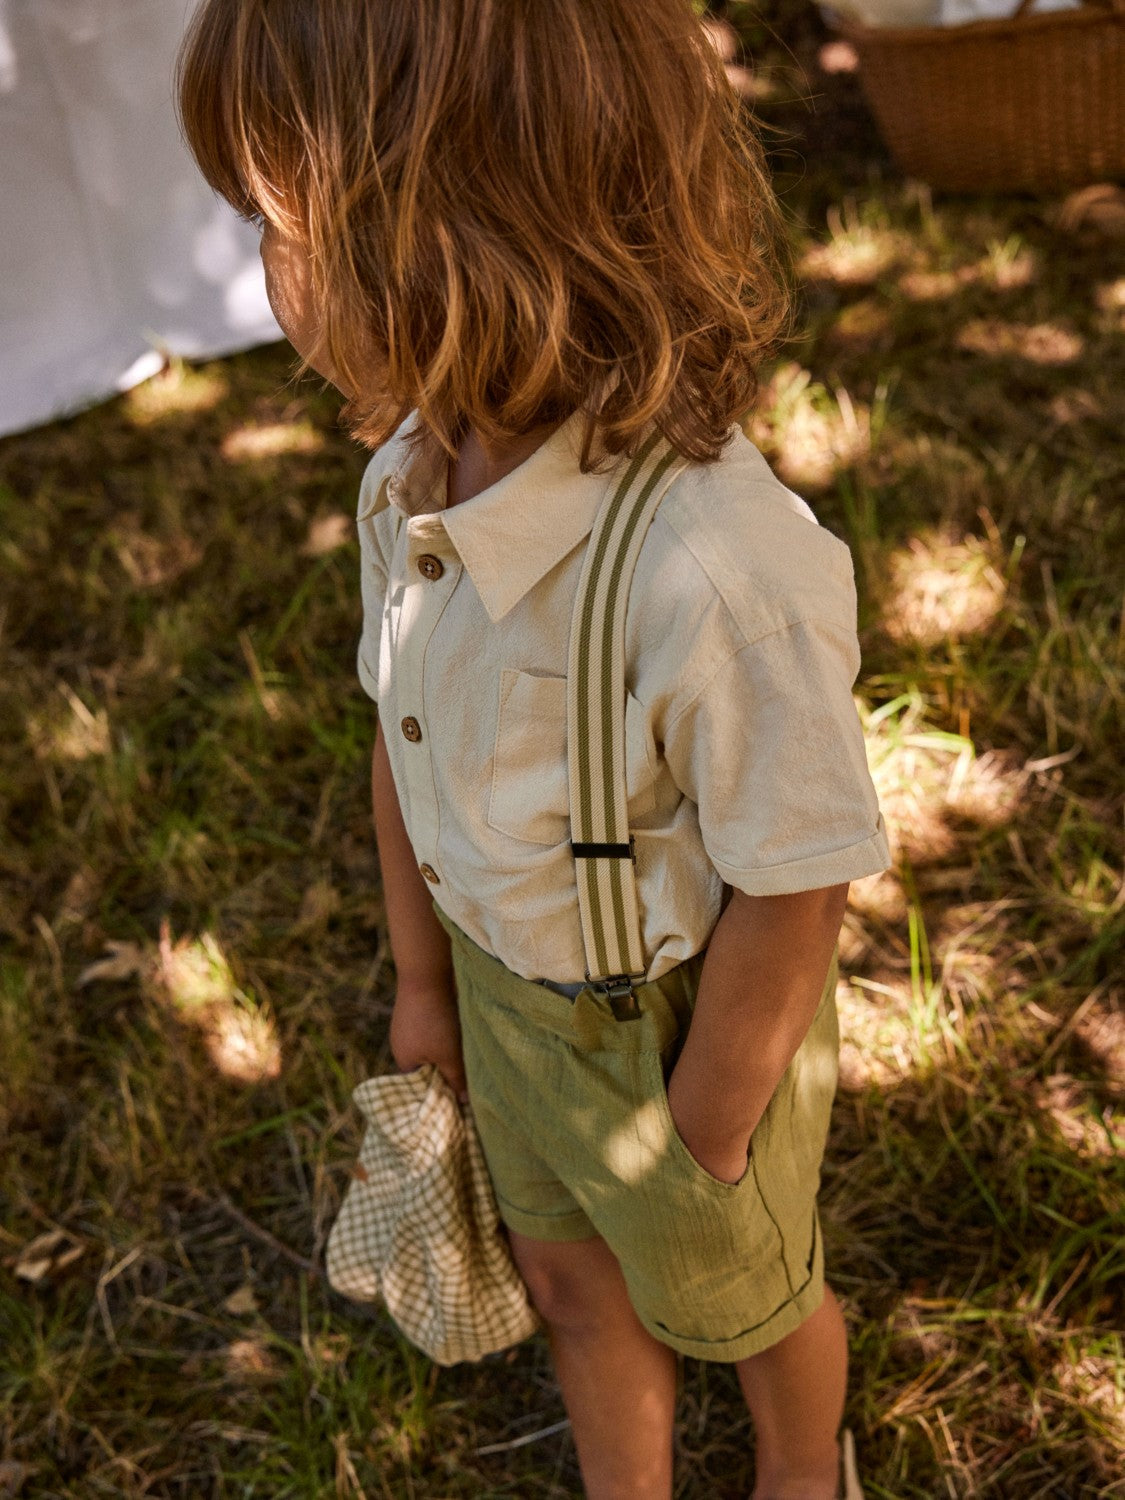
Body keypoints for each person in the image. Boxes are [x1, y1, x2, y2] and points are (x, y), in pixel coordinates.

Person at [177, 3, 890, 1496]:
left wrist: (702, 1128)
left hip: (678, 1032)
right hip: (512, 1015)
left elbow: (798, 873)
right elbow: (403, 728)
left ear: (446, 231)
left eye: (277, 219)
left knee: (753, 1301)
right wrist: (426, 986)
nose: (261, 268)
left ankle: (798, 1468)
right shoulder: (410, 484)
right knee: (572, 1283)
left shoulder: (713, 573)